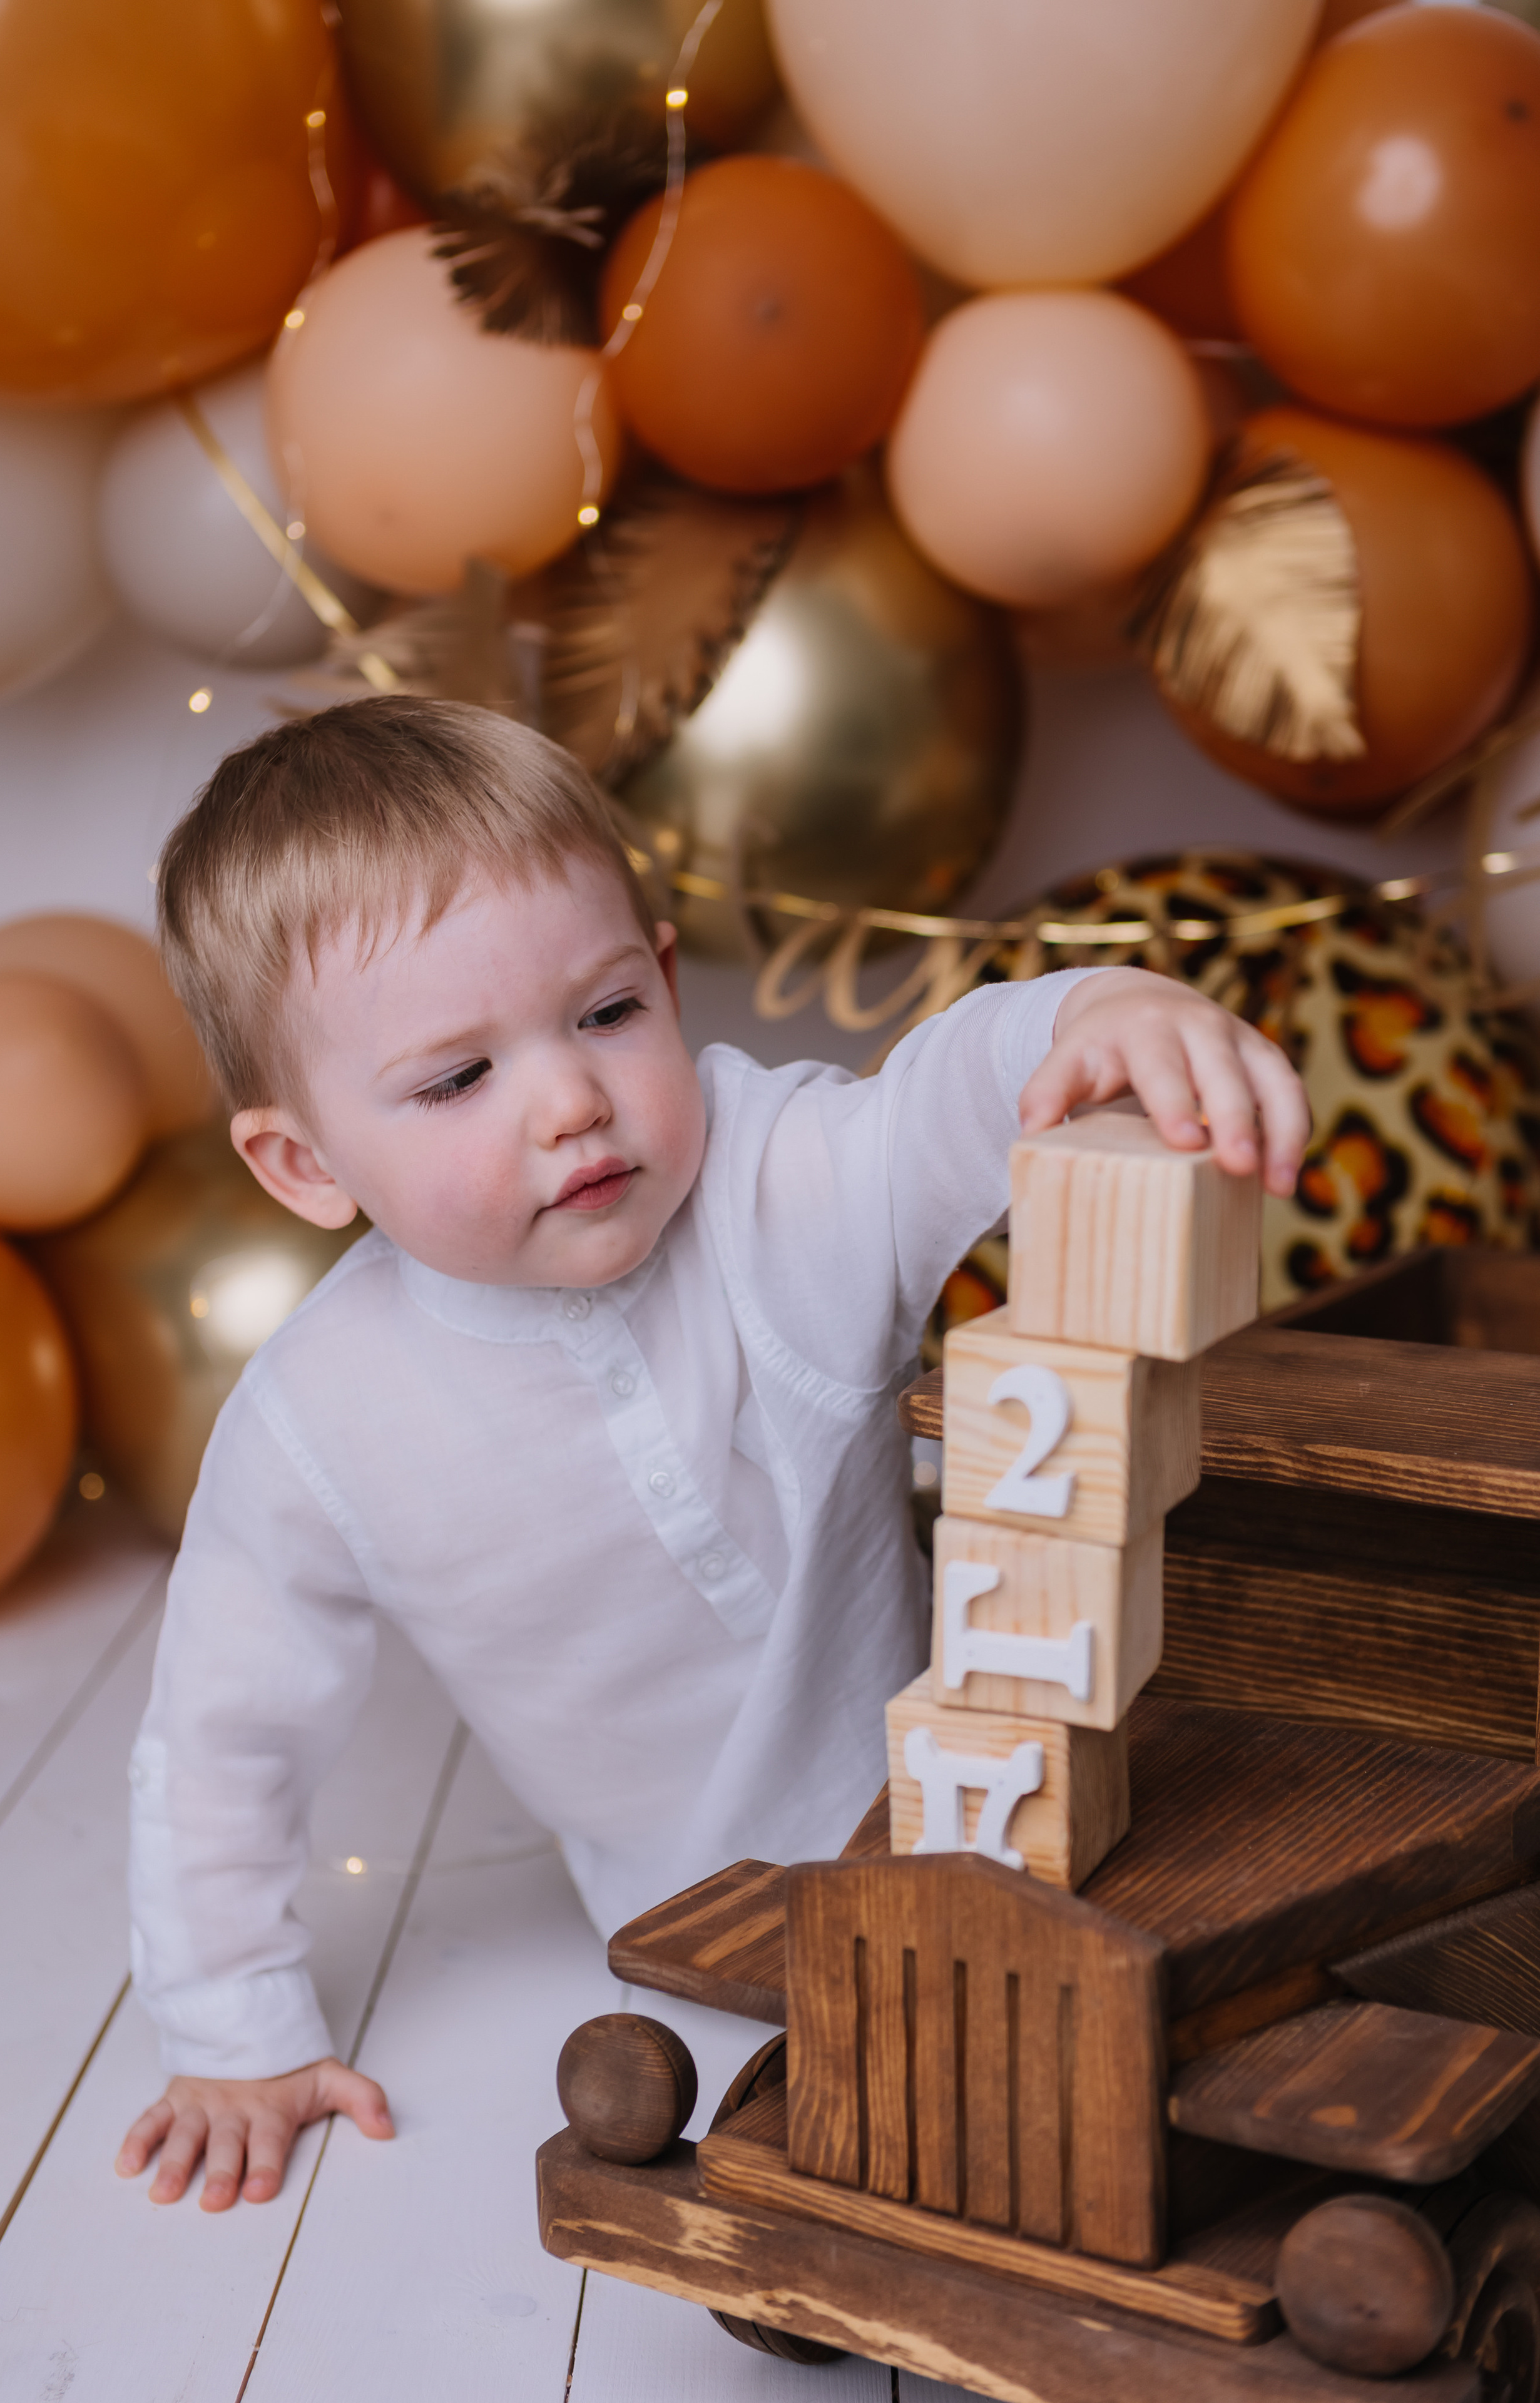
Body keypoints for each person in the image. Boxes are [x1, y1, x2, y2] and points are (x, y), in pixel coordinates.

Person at [115, 695, 1309, 2213]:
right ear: (305, 1163)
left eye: (606, 1013)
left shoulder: (768, 1183)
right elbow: (221, 1738)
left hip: (1057, 1799)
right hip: (714, 1937)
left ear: (665, 982)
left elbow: (943, 1101)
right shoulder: (320, 1424)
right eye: (456, 1079)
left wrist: (1093, 1014)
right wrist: (230, 2033)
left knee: (1240, 1980)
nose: (571, 1099)